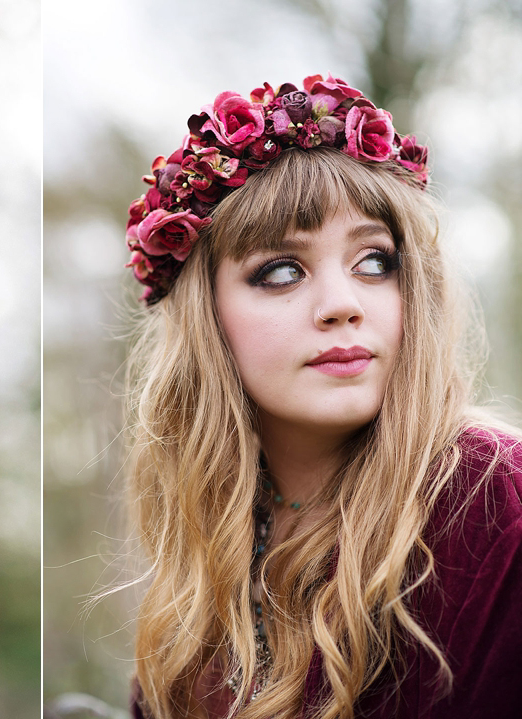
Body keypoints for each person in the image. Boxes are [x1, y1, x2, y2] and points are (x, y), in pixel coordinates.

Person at [121, 74, 522, 719]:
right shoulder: (206, 550)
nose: (343, 304)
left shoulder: (489, 496)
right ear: (207, 320)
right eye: (281, 272)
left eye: (374, 262)